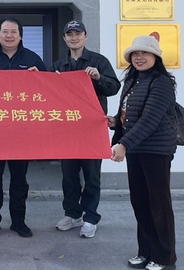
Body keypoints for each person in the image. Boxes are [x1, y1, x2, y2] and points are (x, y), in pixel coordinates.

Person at [107, 35, 178, 270]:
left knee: (159, 204)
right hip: (136, 150)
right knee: (140, 202)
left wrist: (124, 144)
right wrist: (115, 122)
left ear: (155, 57)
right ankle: (145, 252)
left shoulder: (162, 82)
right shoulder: (132, 80)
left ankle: (165, 257)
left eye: (144, 53)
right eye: (135, 54)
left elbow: (150, 119)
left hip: (156, 151)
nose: (139, 57)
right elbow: (130, 114)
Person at [0, 17, 47, 238]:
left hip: (21, 132)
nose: (9, 35)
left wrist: (40, 78)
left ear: (20, 35)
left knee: (19, 180)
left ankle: (18, 221)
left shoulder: (33, 59)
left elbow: (48, 93)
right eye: (5, 31)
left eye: (13, 32)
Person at [51, 20, 120, 238]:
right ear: (64, 38)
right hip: (66, 129)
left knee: (92, 176)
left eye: (78, 34)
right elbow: (45, 94)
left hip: (92, 128)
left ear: (86, 36)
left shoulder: (99, 61)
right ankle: (72, 214)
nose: (74, 37)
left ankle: (90, 217)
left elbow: (114, 87)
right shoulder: (58, 65)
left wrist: (99, 77)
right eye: (69, 34)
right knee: (69, 176)